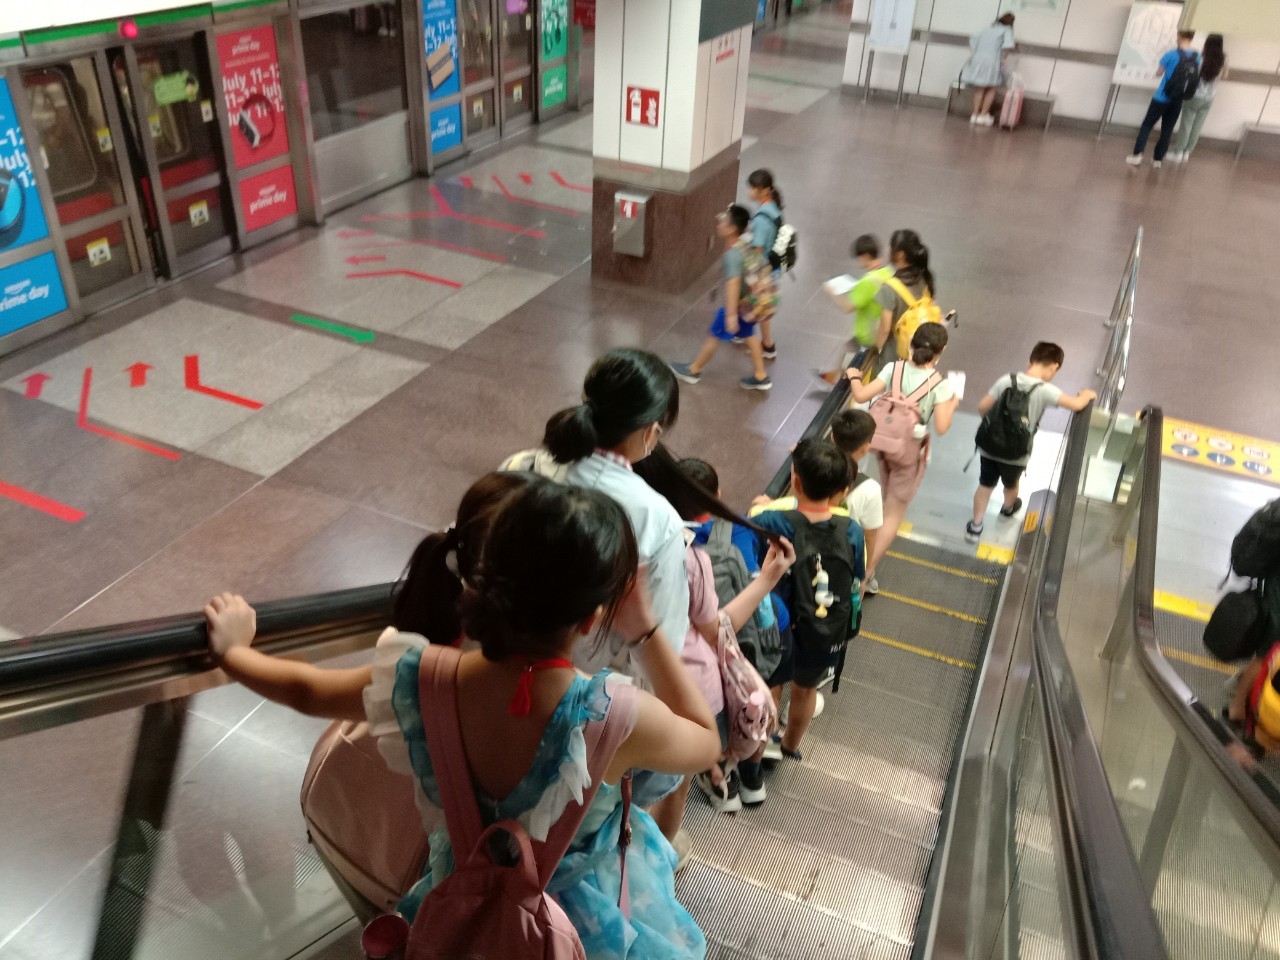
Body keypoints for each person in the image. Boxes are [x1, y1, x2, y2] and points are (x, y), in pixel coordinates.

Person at [204, 479, 721, 959]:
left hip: (464, 917)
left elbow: (307, 690)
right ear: (591, 617)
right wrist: (645, 630)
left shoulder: (424, 683)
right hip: (583, 931)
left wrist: (233, 653)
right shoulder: (615, 717)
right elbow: (705, 739)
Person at [634, 454, 795, 834]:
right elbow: (715, 630)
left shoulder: (628, 547)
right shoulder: (693, 558)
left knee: (622, 786)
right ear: (715, 497)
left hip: (633, 691)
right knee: (674, 785)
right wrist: (768, 579)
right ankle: (663, 848)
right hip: (690, 694)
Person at [751, 439, 865, 762]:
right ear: (841, 489)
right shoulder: (851, 530)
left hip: (779, 622)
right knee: (806, 689)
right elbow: (857, 574)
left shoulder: (771, 520)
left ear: (796, 481)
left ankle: (761, 747)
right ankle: (790, 746)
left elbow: (755, 559)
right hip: (823, 627)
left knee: (770, 685)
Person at [848, 324, 958, 581]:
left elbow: (861, 395)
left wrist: (854, 376)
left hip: (882, 443)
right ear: (942, 351)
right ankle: (865, 573)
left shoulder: (893, 368)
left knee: (886, 498)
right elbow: (942, 427)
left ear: (910, 343)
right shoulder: (939, 384)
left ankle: (863, 560)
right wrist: (952, 403)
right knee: (893, 513)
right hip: (908, 453)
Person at [967, 343, 1097, 542]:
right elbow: (1077, 405)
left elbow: (982, 408)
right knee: (1011, 484)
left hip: (990, 447)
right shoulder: (1046, 390)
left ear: (1030, 360)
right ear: (1054, 366)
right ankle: (1008, 508)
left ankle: (975, 527)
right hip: (1016, 454)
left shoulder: (1006, 380)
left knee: (985, 485)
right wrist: (1087, 395)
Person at [751, 410, 884, 598]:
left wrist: (772, 505)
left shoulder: (773, 513)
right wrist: (866, 574)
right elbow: (870, 536)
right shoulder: (864, 502)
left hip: (793, 574)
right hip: (835, 571)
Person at [670, 205, 774, 391]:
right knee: (749, 335)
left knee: (714, 335)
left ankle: (694, 370)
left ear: (732, 229)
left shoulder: (733, 255)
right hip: (752, 302)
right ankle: (761, 376)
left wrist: (731, 314)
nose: (719, 224)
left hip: (739, 305)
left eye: (723, 221)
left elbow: (733, 284)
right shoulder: (745, 244)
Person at [820, 235, 894, 385]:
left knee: (853, 357)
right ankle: (837, 376)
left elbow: (848, 307)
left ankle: (842, 382)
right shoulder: (888, 272)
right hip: (883, 327)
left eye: (859, 257)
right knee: (849, 349)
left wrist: (832, 291)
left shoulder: (867, 282)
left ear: (865, 256)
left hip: (867, 334)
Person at [1126, 30, 1199, 168]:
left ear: (1179, 36)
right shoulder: (1197, 56)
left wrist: (1160, 72)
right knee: (1167, 129)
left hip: (1161, 97)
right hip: (1178, 99)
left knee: (1147, 125)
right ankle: (1157, 160)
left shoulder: (1171, 54)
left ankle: (1137, 155)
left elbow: (1159, 73)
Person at [874, 229, 936, 367]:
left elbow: (884, 329)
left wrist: (875, 349)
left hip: (896, 350)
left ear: (900, 254)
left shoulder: (890, 287)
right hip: (920, 346)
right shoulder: (923, 276)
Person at [1169, 34, 1227, 163]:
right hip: (1209, 98)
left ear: (1207, 44)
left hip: (1194, 96)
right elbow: (1224, 76)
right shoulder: (1223, 61)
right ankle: (1187, 153)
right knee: (1197, 126)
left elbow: (1191, 75)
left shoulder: (1200, 58)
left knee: (1186, 125)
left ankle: (1178, 153)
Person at [747, 169, 783, 361]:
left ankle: (767, 345)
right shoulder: (774, 208)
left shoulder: (762, 218)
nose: (750, 191)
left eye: (754, 188)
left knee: (761, 305)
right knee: (760, 304)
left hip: (762, 269)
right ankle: (757, 339)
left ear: (765, 190)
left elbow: (758, 248)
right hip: (772, 265)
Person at [961, 13, 1015, 126]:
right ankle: (983, 115)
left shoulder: (988, 28)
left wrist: (978, 52)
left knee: (980, 88)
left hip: (977, 59)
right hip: (992, 61)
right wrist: (1004, 58)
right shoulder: (1007, 30)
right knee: (992, 87)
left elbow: (973, 39)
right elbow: (1008, 46)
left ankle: (974, 115)